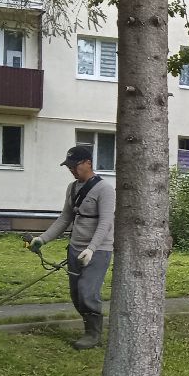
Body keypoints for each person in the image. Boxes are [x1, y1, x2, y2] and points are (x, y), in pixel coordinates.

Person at [28, 145, 115, 350]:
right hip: (75, 248)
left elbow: (105, 223)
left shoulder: (105, 190)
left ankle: (93, 335)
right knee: (76, 294)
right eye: (69, 167)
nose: (72, 170)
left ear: (88, 163)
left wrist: (92, 248)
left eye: (75, 166)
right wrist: (42, 239)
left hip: (98, 250)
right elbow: (65, 218)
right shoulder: (72, 188)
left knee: (87, 292)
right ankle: (87, 328)